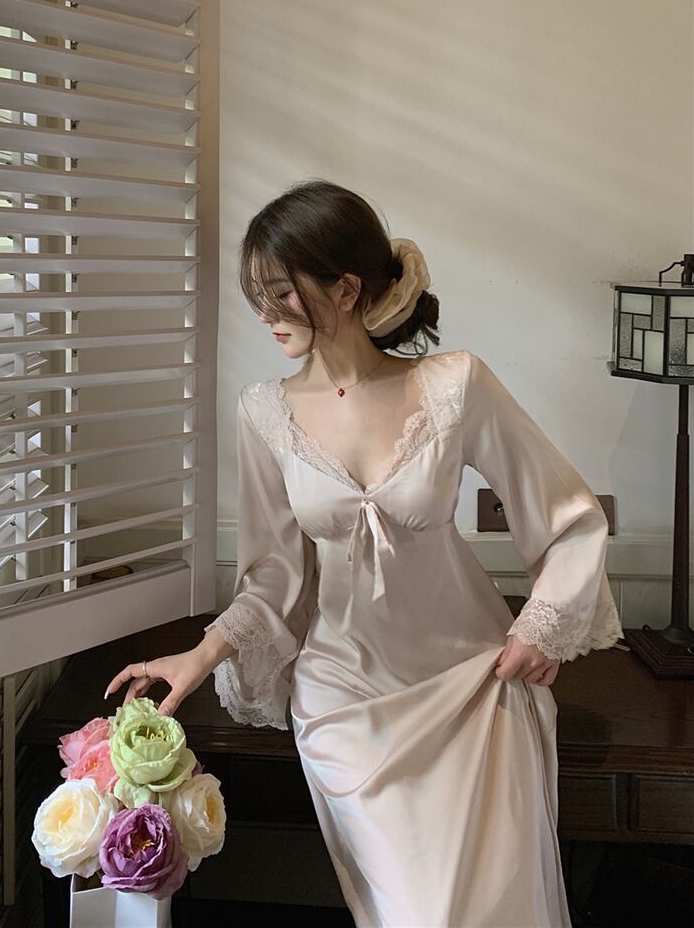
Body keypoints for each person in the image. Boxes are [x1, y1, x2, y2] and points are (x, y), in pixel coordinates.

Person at [105, 179, 624, 928]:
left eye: (281, 292)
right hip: (346, 703)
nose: (265, 313)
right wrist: (202, 654)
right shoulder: (264, 413)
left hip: (473, 685)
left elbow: (567, 513)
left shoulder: (454, 386)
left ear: (345, 289)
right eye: (258, 294)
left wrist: (542, 625)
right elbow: (274, 579)